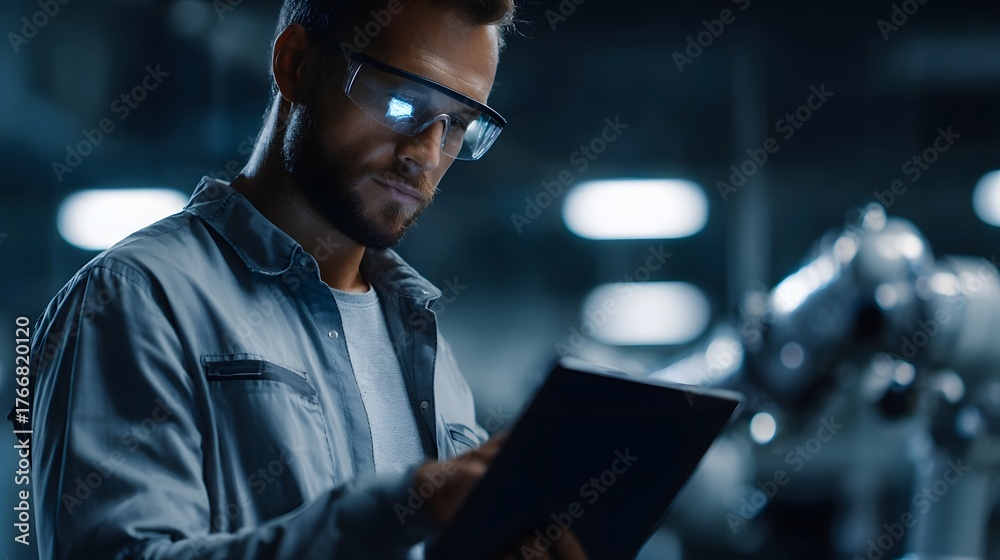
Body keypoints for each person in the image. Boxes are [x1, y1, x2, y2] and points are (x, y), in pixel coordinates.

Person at [20, 0, 587, 558]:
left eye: (458, 124)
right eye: (400, 101)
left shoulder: (431, 353)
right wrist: (402, 507)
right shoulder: (137, 299)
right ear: (296, 65)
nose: (425, 153)